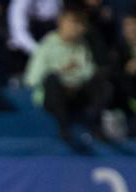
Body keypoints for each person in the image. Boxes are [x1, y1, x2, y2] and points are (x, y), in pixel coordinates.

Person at [24, 8, 112, 147]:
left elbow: (88, 70)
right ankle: (64, 129)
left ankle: (94, 124)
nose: (77, 28)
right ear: (61, 23)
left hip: (77, 92)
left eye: (81, 25)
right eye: (73, 23)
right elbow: (32, 79)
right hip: (54, 97)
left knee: (103, 82)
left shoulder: (82, 46)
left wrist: (76, 81)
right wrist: (61, 72)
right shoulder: (47, 45)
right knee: (52, 80)